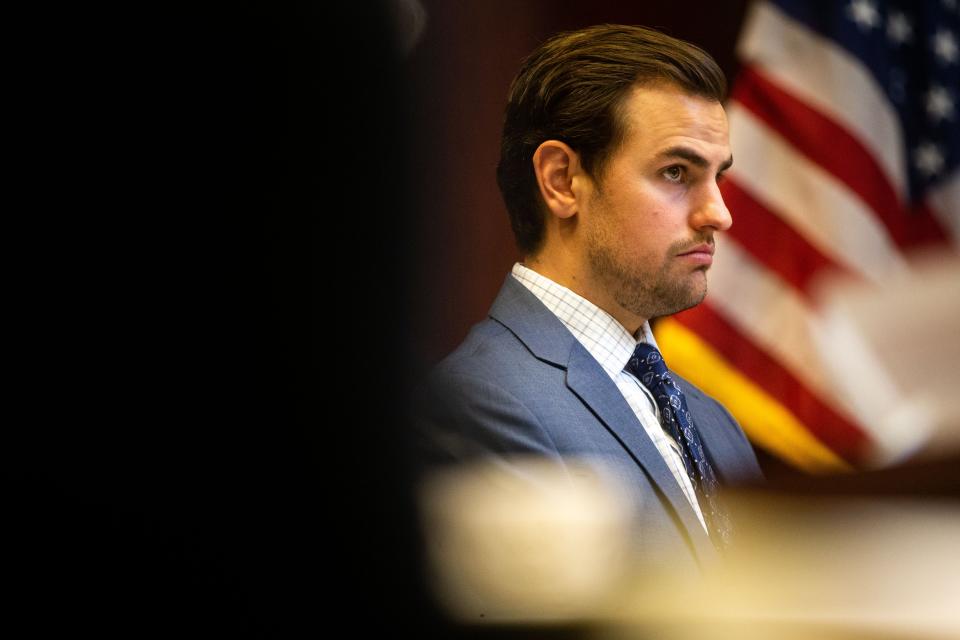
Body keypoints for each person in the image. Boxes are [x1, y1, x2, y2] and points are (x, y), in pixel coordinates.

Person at [413, 24, 763, 578]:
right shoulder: (480, 404)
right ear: (562, 180)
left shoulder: (713, 419)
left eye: (717, 176)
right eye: (676, 172)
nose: (719, 213)